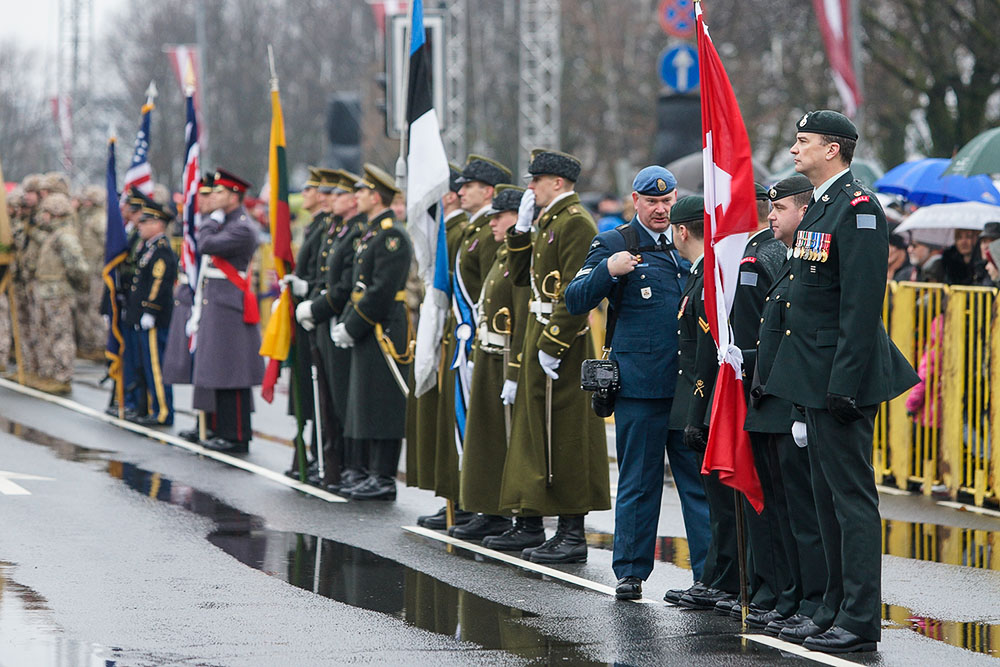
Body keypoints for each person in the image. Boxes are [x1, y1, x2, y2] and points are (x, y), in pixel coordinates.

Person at [766, 110, 918, 653]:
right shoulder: (821, 208)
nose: (793, 150)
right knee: (825, 498)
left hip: (840, 376)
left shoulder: (857, 209)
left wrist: (845, 383)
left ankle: (858, 621)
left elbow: (858, 306)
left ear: (833, 149)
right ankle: (830, 607)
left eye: (802, 142)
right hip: (815, 374)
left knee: (851, 501)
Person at [565, 167, 710, 599]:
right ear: (635, 201)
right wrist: (608, 270)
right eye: (652, 202)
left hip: (688, 387)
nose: (661, 209)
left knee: (697, 485)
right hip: (640, 387)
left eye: (667, 202)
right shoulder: (616, 243)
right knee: (638, 481)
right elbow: (576, 299)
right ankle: (630, 571)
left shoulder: (691, 241)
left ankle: (708, 576)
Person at [499, 148, 610, 564]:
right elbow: (520, 275)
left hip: (562, 341)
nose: (530, 188)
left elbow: (575, 291)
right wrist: (521, 231)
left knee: (566, 433)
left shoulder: (576, 223)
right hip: (538, 333)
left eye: (536, 180)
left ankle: (571, 531)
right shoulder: (550, 221)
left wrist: (553, 344)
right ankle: (534, 518)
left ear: (557, 183)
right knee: (536, 430)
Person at [744, 175, 830, 636]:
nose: (770, 215)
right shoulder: (790, 260)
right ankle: (794, 596)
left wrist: (798, 409)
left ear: (802, 210)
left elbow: (801, 337)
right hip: (772, 399)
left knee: (805, 513)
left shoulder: (803, 260)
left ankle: (813, 601)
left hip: (791, 402)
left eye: (778, 209)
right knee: (783, 509)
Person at [417, 155, 511, 530]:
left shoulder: (486, 234)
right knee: (466, 424)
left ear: (486, 191)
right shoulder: (477, 231)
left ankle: (485, 506)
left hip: (481, 340)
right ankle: (469, 502)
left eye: (468, 186)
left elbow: (492, 290)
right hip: (465, 340)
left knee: (479, 425)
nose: (460, 191)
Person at [330, 164, 414, 500]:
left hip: (385, 325)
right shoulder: (373, 233)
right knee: (367, 399)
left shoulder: (392, 236)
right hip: (371, 323)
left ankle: (383, 477)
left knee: (384, 402)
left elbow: (380, 290)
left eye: (362, 192)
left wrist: (353, 324)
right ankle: (369, 471)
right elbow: (359, 286)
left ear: (376, 197)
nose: (356, 197)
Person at [460, 185, 538, 549]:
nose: (492, 224)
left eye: (498, 217)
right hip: (491, 353)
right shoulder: (504, 253)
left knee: (512, 442)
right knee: (490, 441)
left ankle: (520, 518)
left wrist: (514, 370)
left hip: (510, 357)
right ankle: (491, 510)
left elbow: (523, 316)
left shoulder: (521, 254)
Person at [407, 163, 470, 524]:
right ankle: (453, 499)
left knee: (457, 420)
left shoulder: (459, 230)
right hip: (448, 333)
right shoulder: (451, 229)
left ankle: (461, 502)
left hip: (460, 334)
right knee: (446, 421)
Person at [191, 169, 265, 454]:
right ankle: (224, 429)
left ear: (235, 196)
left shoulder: (241, 226)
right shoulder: (230, 222)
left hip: (230, 306)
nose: (214, 197)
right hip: (219, 303)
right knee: (221, 369)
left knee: (233, 372)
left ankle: (236, 434)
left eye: (220, 192)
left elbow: (206, 244)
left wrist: (212, 220)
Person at [30, 192, 89, 394]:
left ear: (55, 213)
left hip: (59, 293)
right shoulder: (54, 234)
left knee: (60, 335)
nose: (42, 216)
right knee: (47, 334)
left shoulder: (65, 235)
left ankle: (63, 375)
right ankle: (50, 372)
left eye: (46, 211)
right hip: (47, 292)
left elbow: (78, 266)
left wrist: (76, 285)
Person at [125, 200, 177, 426]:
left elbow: (159, 282)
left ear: (158, 224)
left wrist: (150, 310)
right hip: (143, 317)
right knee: (145, 364)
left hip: (155, 318)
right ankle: (149, 407)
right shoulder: (148, 248)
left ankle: (163, 411)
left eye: (146, 222)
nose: (141, 226)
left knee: (156, 366)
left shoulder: (162, 250)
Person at [74, 184, 108, 361]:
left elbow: (107, 245)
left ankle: (101, 343)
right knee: (86, 307)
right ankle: (89, 343)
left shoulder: (100, 219)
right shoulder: (86, 218)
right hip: (88, 270)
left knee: (96, 307)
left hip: (97, 271)